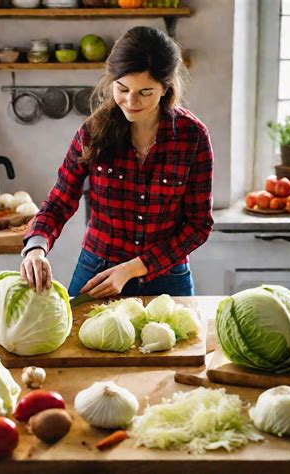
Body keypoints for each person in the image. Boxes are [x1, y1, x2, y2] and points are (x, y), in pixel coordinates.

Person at [20, 26, 214, 298]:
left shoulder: (192, 136)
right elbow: (59, 202)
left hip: (166, 277)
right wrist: (36, 247)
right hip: (98, 270)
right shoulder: (92, 131)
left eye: (145, 92)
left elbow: (198, 226)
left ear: (165, 88)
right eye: (122, 88)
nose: (131, 101)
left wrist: (134, 268)